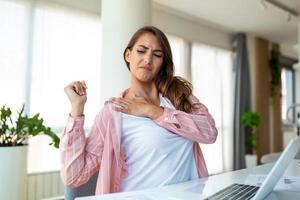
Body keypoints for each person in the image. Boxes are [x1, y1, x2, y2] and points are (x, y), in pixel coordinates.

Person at [60, 26, 218, 195]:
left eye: (157, 55)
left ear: (163, 62)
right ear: (128, 55)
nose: (148, 59)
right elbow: (73, 177)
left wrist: (153, 111)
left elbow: (209, 133)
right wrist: (77, 109)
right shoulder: (113, 113)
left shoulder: (177, 95)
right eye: (141, 51)